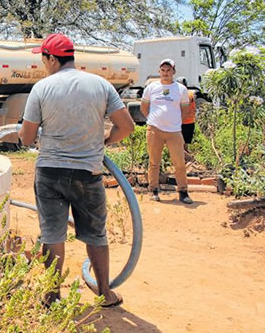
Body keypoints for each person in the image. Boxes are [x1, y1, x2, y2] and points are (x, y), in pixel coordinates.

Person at [18, 33, 135, 308]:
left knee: (52, 235)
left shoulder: (42, 88)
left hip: (50, 173)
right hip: (88, 172)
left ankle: (51, 296)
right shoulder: (100, 85)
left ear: (51, 58)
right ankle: (105, 293)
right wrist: (104, 141)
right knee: (95, 234)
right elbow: (126, 126)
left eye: (43, 59)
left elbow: (25, 137)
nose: (43, 65)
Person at [140, 59, 193, 204]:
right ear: (159, 72)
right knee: (154, 162)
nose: (165, 73)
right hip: (154, 130)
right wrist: (153, 120)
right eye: (163, 70)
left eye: (168, 70)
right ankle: (154, 190)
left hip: (174, 131)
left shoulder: (181, 89)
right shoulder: (151, 88)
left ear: (174, 72)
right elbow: (144, 108)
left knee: (179, 163)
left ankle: (183, 191)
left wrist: (174, 122)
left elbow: (185, 110)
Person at [177, 77, 196, 155]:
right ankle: (186, 159)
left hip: (182, 122)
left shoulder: (180, 94)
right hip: (190, 121)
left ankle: (184, 159)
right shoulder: (191, 94)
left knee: (180, 143)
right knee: (186, 143)